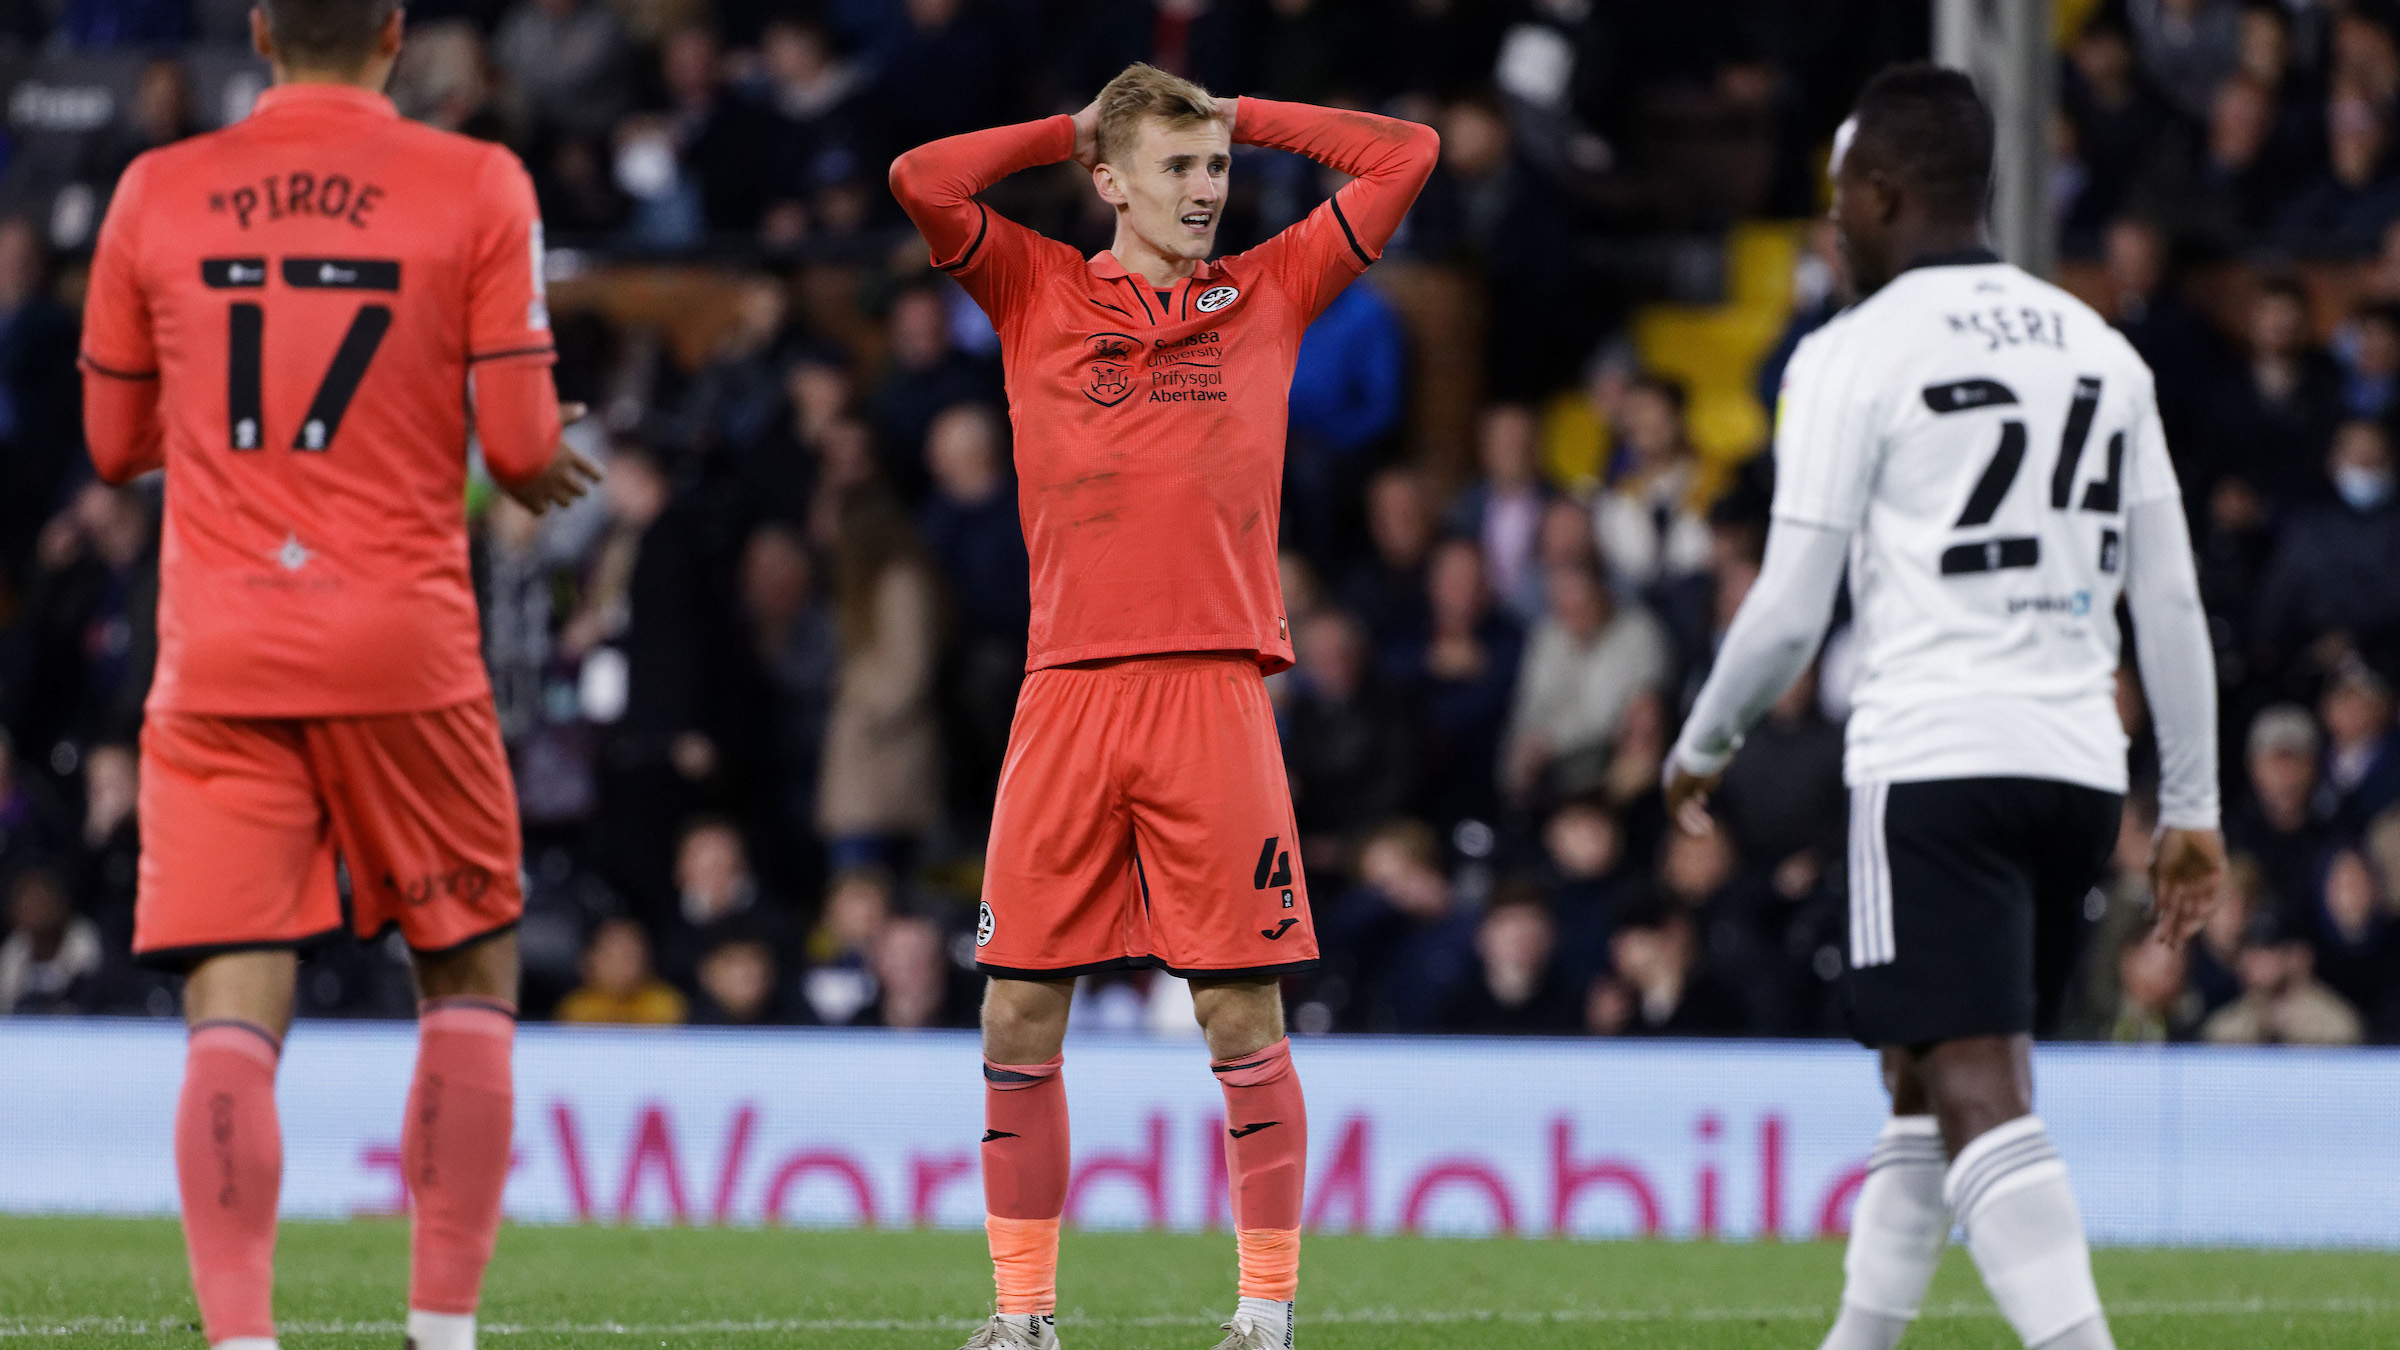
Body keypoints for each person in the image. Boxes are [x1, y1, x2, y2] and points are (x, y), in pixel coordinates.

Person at [1663, 67, 2225, 1350]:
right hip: (2078, 768)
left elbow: (1794, 608)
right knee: (1924, 1074)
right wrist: (2189, 807)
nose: (1828, 225)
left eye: (1834, 201)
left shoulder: (1852, 353)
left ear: (1883, 194)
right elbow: (2175, 608)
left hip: (1934, 760)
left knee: (1974, 1081)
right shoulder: (2102, 349)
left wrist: (1700, 747)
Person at [76, 0, 601, 1344]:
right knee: (470, 972)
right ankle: (440, 1332)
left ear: (258, 30)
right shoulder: (478, 180)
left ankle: (243, 1338)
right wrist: (531, 458)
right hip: (403, 643)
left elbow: (113, 439)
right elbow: (524, 434)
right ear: (392, 30)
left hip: (221, 648)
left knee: (233, 1007)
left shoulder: (156, 187)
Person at [890, 62, 1436, 1350]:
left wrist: (1245, 115)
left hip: (1214, 689)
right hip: (1067, 693)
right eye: (1179, 167)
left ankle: (1263, 1312)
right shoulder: (1033, 288)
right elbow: (921, 178)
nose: (1206, 189)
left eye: (1217, 169)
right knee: (1019, 1005)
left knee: (1238, 1009)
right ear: (1110, 179)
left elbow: (1404, 153)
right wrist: (1060, 126)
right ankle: (1022, 1318)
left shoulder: (1270, 292)